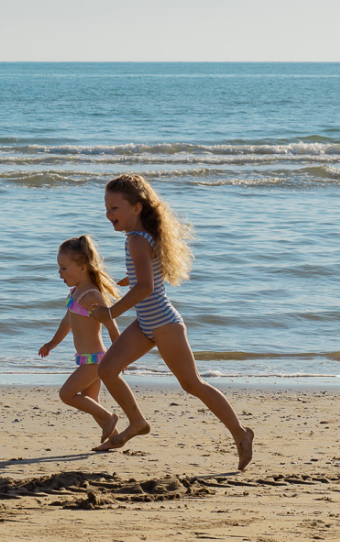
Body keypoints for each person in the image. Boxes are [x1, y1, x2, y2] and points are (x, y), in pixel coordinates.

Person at [90, 174, 253, 470]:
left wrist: (110, 313)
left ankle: (241, 433)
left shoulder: (137, 240)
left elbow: (146, 289)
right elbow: (146, 277)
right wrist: (133, 278)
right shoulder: (139, 238)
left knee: (192, 384)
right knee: (108, 370)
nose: (108, 213)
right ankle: (137, 422)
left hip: (164, 324)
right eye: (106, 207)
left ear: (136, 208)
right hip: (146, 324)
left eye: (114, 207)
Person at [37, 235, 124, 446]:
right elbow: (67, 321)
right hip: (86, 359)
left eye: (64, 268)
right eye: (59, 268)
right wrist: (52, 343)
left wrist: (121, 357)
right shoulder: (76, 293)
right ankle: (115, 439)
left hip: (96, 361)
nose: (60, 273)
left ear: (83, 267)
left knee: (66, 394)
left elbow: (112, 326)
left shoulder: (93, 296)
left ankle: (110, 418)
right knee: (91, 402)